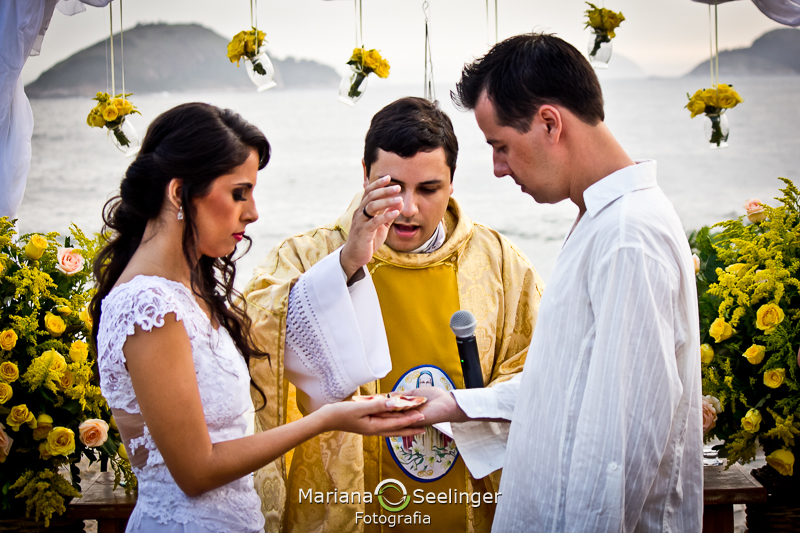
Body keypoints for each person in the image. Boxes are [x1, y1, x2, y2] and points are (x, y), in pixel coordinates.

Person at [401, 34, 704, 532]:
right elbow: (570, 389)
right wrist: (457, 404)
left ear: (548, 123)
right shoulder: (603, 220)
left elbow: (617, 453)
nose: (498, 169)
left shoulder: (627, 236)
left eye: (501, 146)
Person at [90, 103, 425, 533]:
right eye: (239, 193)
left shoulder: (190, 287)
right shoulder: (149, 307)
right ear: (179, 194)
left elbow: (274, 326)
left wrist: (348, 262)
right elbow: (196, 472)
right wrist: (325, 420)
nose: (253, 213)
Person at [242, 97, 544, 532]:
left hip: (463, 504)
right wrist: (345, 264)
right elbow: (256, 338)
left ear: (452, 183)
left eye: (428, 189)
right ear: (364, 174)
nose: (407, 207)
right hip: (347, 502)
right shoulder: (310, 256)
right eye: (391, 185)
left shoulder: (500, 263)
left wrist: (469, 406)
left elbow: (542, 367)